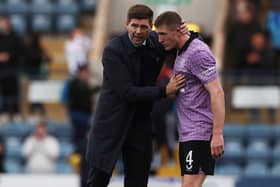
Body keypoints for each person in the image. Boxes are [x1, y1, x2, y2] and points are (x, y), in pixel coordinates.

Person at [86, 4, 185, 187]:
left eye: (144, 27)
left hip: (141, 124)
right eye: (134, 26)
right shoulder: (113, 51)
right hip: (111, 123)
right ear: (126, 25)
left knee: (138, 183)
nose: (138, 31)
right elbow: (127, 92)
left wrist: (186, 34)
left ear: (151, 28)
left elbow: (186, 44)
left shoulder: (158, 42)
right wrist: (164, 91)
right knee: (97, 182)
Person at [154, 11, 225, 187]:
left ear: (178, 30)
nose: (160, 40)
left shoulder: (197, 52)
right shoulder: (181, 51)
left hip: (200, 131)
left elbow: (217, 92)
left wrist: (217, 134)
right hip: (187, 131)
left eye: (163, 34)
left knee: (189, 185)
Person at [67, 64, 100, 149]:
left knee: (82, 135)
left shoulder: (81, 83)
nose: (88, 75)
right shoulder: (76, 83)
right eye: (86, 72)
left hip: (83, 114)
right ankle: (78, 154)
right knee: (80, 136)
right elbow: (84, 94)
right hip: (79, 113)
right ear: (81, 73)